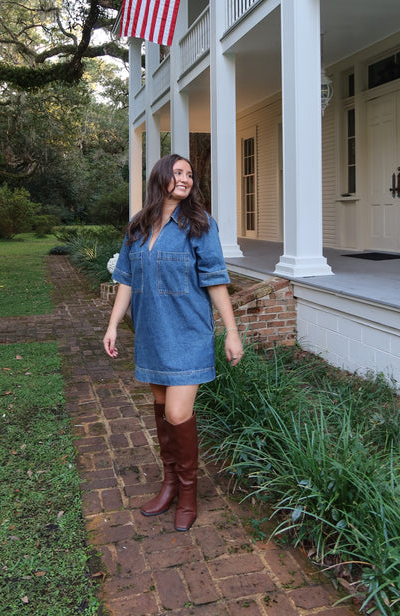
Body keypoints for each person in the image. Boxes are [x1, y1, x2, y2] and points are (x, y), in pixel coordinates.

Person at [103, 154, 243, 531]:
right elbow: (127, 281)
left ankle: (188, 493)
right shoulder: (138, 226)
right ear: (161, 177)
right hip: (151, 333)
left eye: (189, 174)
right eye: (178, 172)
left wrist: (231, 331)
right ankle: (169, 485)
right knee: (162, 409)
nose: (185, 178)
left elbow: (215, 279)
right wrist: (113, 325)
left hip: (188, 332)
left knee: (178, 415)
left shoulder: (200, 224)